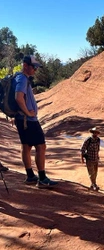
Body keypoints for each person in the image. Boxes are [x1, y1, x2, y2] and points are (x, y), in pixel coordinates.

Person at [14, 55, 58, 188]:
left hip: (22, 119)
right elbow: (18, 97)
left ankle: (30, 176)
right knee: (41, 146)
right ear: (25, 65)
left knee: (26, 146)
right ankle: (42, 178)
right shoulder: (22, 79)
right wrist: (28, 113)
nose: (36, 70)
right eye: (34, 67)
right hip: (28, 120)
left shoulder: (19, 77)